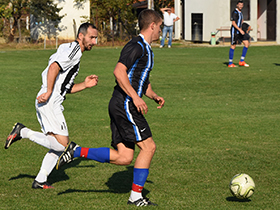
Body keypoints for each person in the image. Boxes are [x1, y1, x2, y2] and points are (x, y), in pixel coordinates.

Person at [56, 9, 165, 206]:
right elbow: (119, 72)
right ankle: (136, 197)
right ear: (152, 26)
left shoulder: (147, 50)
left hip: (122, 103)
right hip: (125, 104)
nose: (161, 30)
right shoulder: (136, 46)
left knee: (124, 158)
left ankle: (76, 151)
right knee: (149, 147)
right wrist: (136, 98)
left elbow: (141, 80)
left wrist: (153, 95)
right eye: (160, 26)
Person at [5, 23, 99, 189]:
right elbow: (54, 67)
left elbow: (64, 87)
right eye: (91, 37)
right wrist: (49, 92)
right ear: (80, 36)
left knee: (56, 145)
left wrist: (84, 85)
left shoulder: (70, 49)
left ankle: (40, 180)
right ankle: (23, 131)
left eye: (96, 38)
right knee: (63, 145)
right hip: (50, 100)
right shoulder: (74, 50)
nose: (95, 41)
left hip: (51, 98)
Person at [228, 0, 250, 67]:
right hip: (234, 32)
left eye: (242, 5)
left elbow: (241, 21)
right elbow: (233, 23)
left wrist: (243, 27)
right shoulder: (235, 12)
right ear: (237, 5)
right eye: (239, 5)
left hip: (240, 31)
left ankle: (241, 61)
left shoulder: (240, 12)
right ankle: (230, 63)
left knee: (246, 43)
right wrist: (240, 30)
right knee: (233, 46)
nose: (241, 6)